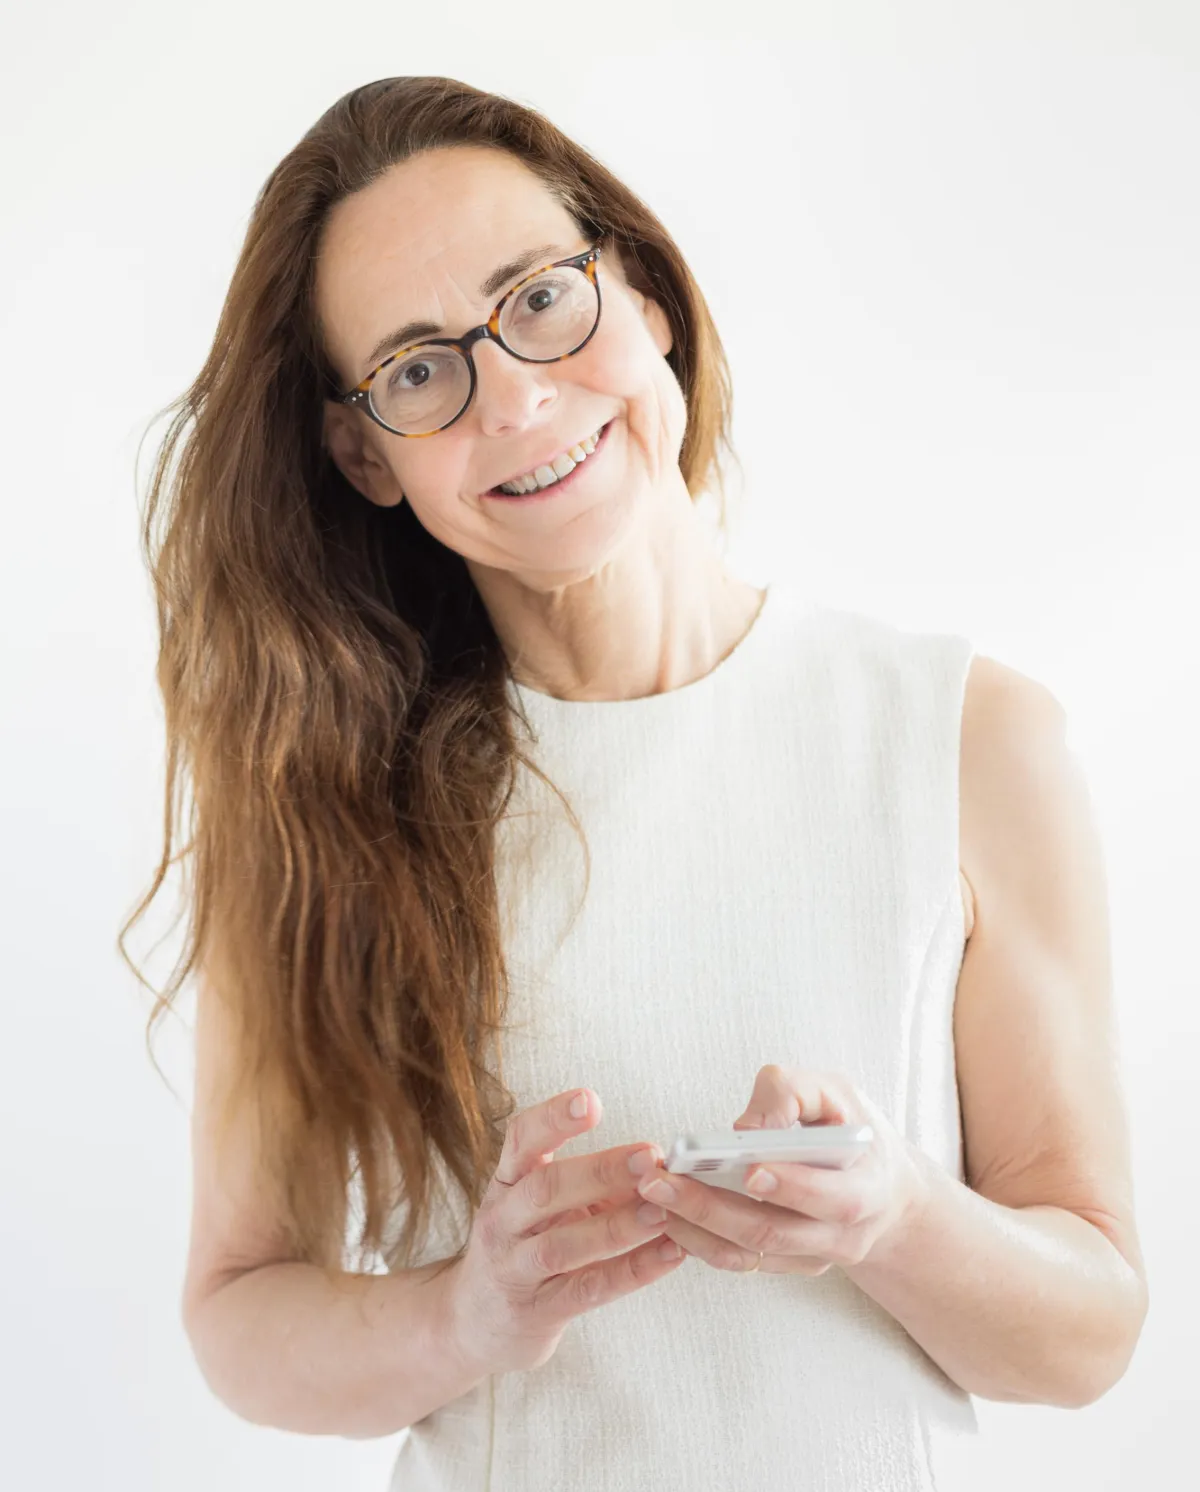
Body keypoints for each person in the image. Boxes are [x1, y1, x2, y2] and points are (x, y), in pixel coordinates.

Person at [121, 75, 1148, 1491]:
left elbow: (1090, 1333)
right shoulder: (326, 804)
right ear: (365, 455)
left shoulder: (966, 736)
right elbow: (241, 1313)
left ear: (646, 294)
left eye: (542, 296)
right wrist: (465, 1314)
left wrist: (897, 1215)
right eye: (421, 369)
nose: (519, 395)